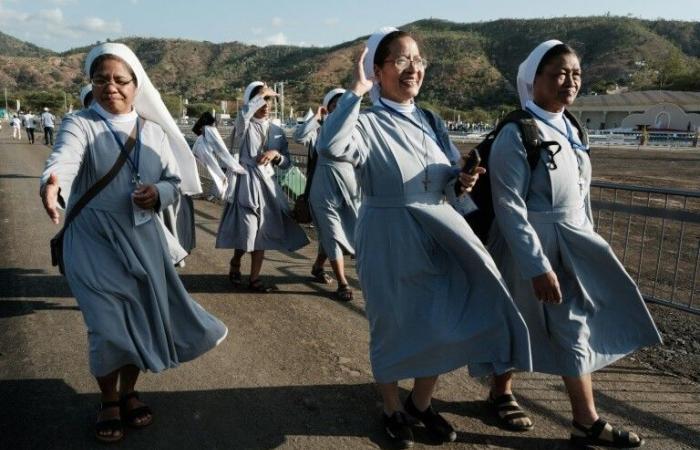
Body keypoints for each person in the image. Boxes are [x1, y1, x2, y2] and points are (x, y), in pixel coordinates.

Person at [316, 27, 532, 448]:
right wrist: (355, 90)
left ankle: (420, 403)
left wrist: (463, 180)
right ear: (378, 71)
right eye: (400, 59)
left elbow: (445, 182)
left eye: (417, 59)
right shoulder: (364, 120)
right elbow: (330, 148)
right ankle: (392, 409)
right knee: (393, 324)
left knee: (441, 321)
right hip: (389, 234)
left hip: (438, 232)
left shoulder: (429, 120)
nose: (413, 67)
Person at [39, 42, 227, 443]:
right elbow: (64, 158)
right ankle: (108, 398)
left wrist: (158, 193)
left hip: (142, 240)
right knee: (107, 325)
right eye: (101, 79)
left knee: (139, 318)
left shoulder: (154, 133)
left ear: (136, 84)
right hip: (91, 240)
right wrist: (52, 181)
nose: (111, 87)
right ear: (91, 83)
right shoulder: (80, 123)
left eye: (120, 80)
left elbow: (175, 184)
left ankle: (128, 391)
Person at [486, 40, 662, 448]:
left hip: (572, 244)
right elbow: (509, 207)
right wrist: (536, 266)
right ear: (535, 81)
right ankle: (501, 391)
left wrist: (590, 243)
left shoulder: (573, 128)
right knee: (515, 318)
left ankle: (585, 420)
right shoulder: (517, 132)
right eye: (560, 73)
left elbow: (581, 194)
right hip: (527, 246)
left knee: (573, 325)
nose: (571, 81)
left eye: (577, 73)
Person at [216, 81, 309, 292]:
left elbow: (287, 163)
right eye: (261, 99)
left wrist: (276, 156)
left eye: (268, 99)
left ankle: (254, 278)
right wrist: (261, 94)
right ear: (252, 101)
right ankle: (236, 260)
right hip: (245, 184)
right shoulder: (244, 126)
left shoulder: (276, 130)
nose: (266, 103)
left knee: (262, 232)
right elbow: (243, 116)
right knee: (248, 230)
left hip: (267, 185)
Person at [293, 87, 359, 301]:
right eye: (334, 105)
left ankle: (318, 266)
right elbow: (299, 136)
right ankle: (343, 282)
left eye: (343, 105)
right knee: (331, 233)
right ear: (328, 107)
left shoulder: (353, 131)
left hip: (349, 190)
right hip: (321, 190)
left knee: (334, 233)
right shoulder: (317, 131)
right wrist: (316, 116)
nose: (339, 108)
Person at [191, 111, 246, 201]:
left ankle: (219, 187)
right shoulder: (210, 129)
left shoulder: (203, 129)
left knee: (213, 169)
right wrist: (233, 164)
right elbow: (219, 145)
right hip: (204, 152)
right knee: (215, 169)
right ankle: (222, 187)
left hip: (198, 150)